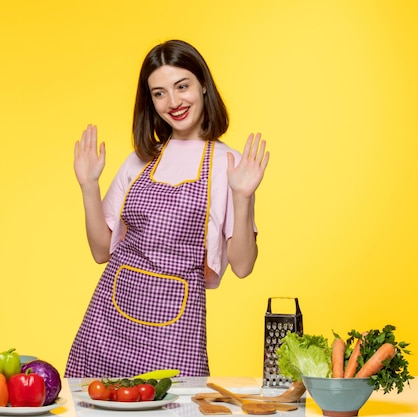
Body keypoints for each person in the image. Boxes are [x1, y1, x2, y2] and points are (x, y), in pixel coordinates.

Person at [65, 40, 269, 378]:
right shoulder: (139, 159)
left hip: (178, 332)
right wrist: (89, 185)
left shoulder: (228, 164)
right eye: (159, 93)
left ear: (203, 84)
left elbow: (244, 266)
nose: (173, 102)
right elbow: (102, 252)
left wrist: (243, 196)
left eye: (182, 86)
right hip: (108, 325)